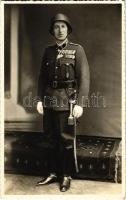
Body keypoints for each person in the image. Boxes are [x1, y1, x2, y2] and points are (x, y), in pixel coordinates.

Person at [36, 13, 90, 192]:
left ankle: (66, 175)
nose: (60, 30)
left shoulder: (77, 50)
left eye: (63, 26)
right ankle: (52, 172)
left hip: (68, 102)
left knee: (66, 140)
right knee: (50, 139)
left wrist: (80, 103)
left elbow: (84, 78)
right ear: (52, 30)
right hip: (49, 99)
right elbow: (42, 78)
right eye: (57, 27)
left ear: (68, 29)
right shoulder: (48, 51)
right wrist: (39, 100)